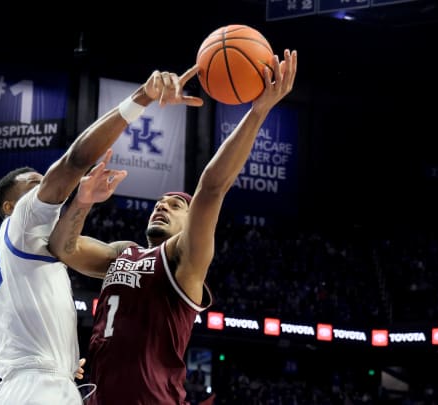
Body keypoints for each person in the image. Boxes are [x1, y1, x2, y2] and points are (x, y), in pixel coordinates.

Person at [48, 49, 297, 404]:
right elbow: (64, 248)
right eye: (160, 202)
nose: (163, 205)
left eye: (176, 204)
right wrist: (84, 201)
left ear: (190, 222)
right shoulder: (123, 253)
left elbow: (211, 187)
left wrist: (258, 111)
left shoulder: (183, 260)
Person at [0, 66, 204, 405]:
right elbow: (76, 161)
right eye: (35, 184)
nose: (45, 187)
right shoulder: (24, 220)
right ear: (13, 207)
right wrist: (142, 98)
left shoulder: (36, 247)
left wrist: (63, 362)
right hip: (37, 389)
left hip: (41, 384)